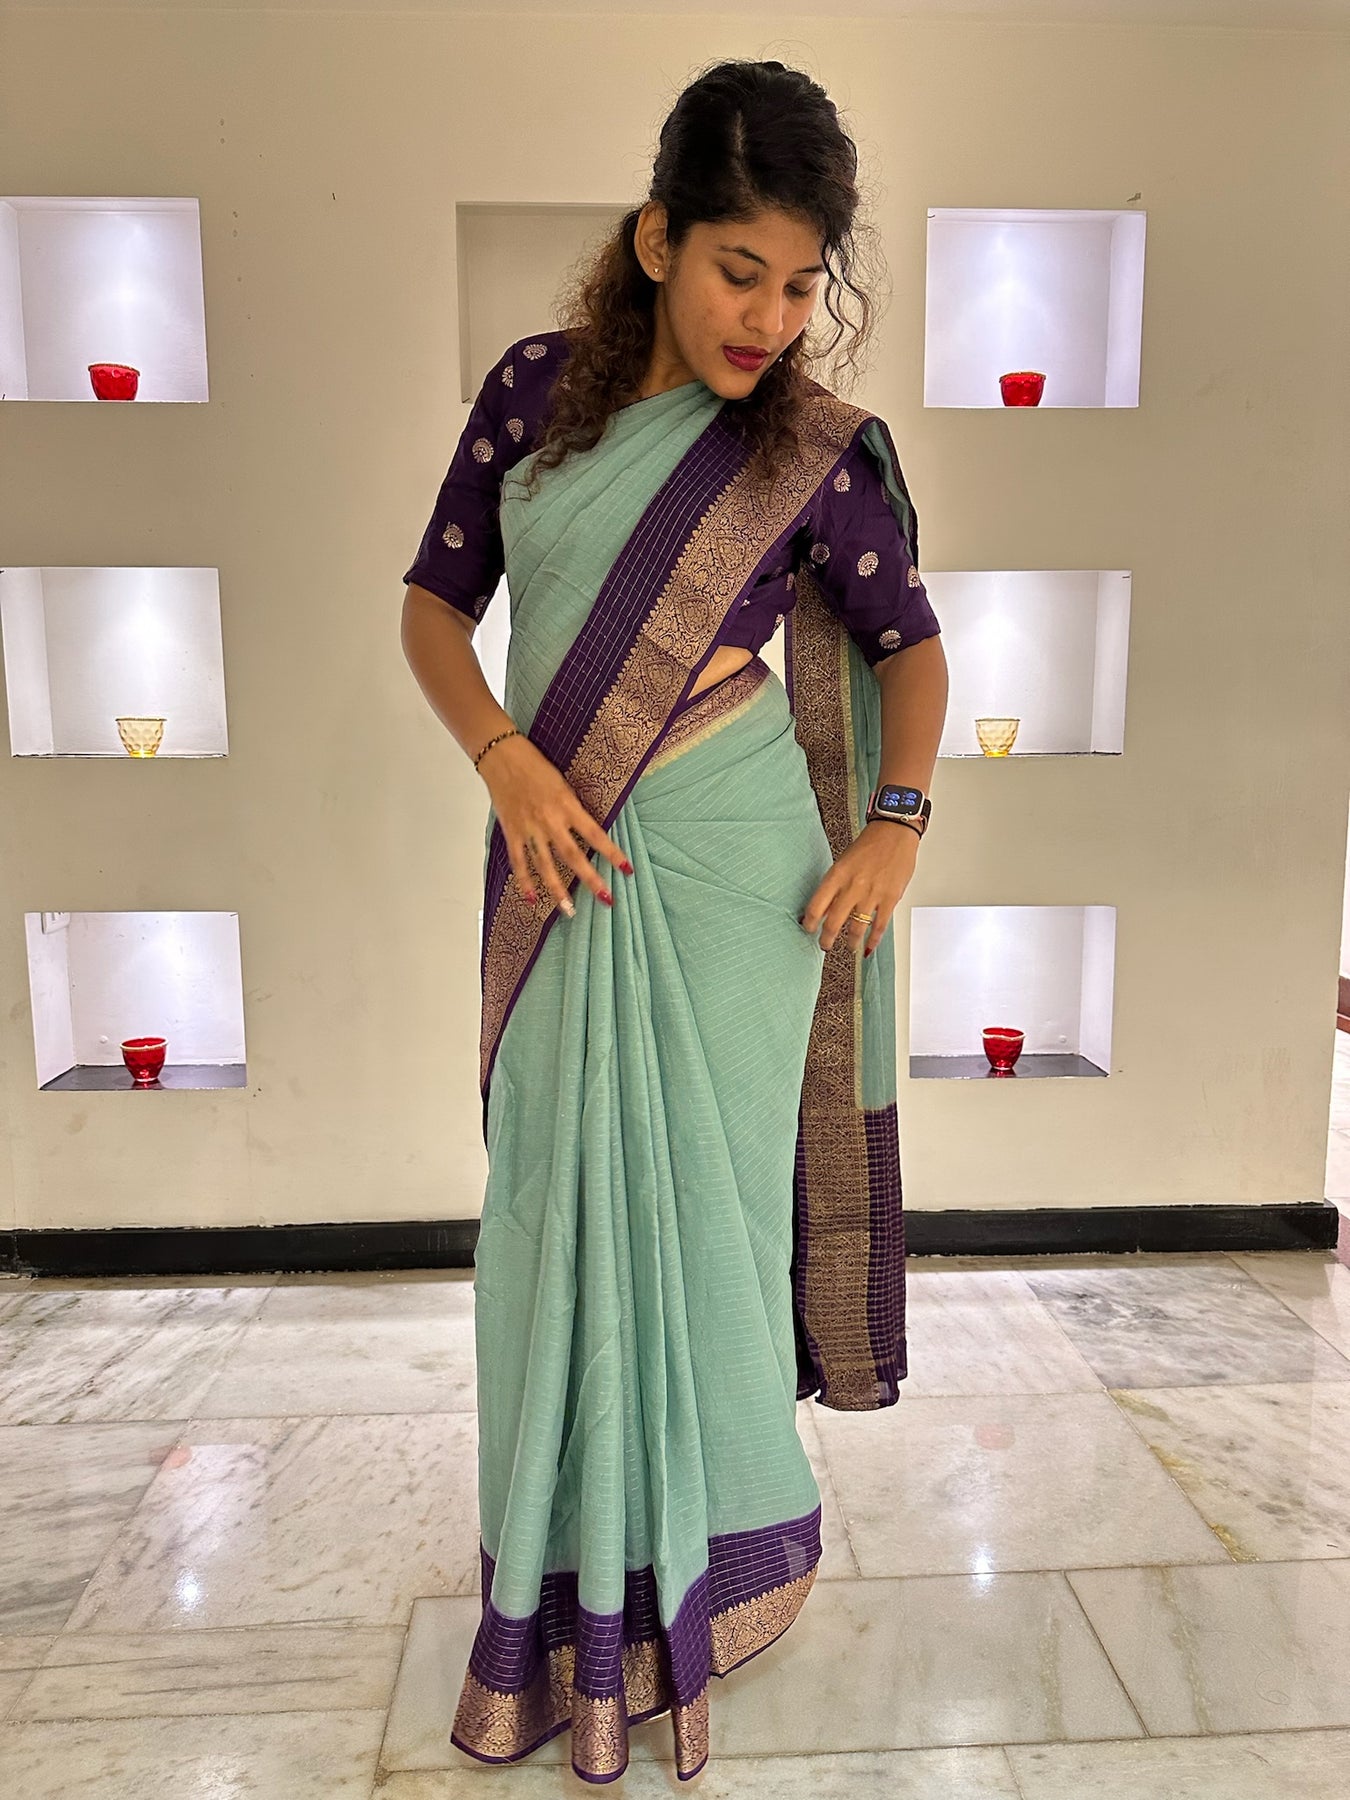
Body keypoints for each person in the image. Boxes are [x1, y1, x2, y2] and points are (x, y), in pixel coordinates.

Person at [400, 57, 949, 1786]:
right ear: (655, 240)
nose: (767, 319)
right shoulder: (536, 396)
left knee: (705, 1224)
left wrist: (895, 824)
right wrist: (502, 758)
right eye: (737, 271)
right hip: (557, 856)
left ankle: (713, 1563)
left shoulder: (805, 449)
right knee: (547, 1220)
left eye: (799, 286)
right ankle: (560, 1574)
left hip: (734, 885)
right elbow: (432, 609)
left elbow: (912, 650)